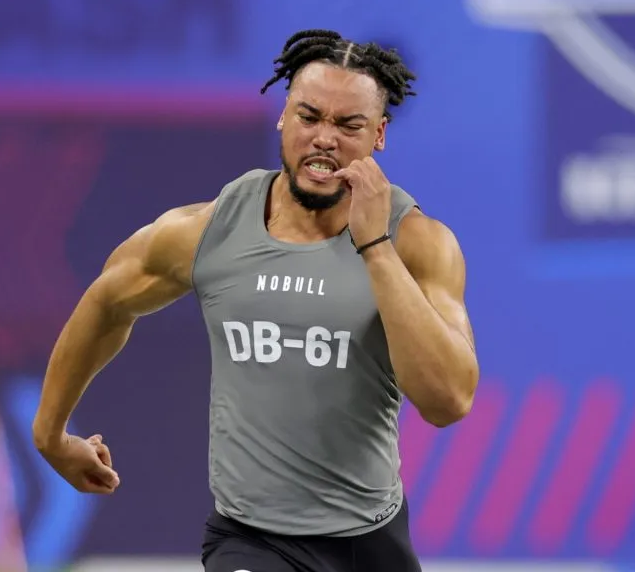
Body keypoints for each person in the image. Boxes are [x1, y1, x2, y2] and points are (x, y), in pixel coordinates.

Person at [32, 29, 479, 572]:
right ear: (282, 117)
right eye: (309, 116)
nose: (324, 138)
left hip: (371, 539)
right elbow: (107, 303)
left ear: (379, 134)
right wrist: (50, 434)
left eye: (348, 125)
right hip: (251, 540)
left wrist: (376, 250)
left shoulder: (418, 244)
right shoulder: (208, 231)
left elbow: (448, 400)